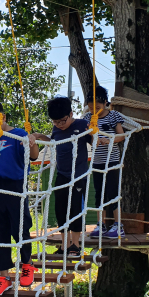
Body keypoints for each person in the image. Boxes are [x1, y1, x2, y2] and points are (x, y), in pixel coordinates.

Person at [0, 99, 40, 296]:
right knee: (0, 232)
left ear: (1, 117)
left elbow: (34, 156)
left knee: (20, 229)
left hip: (16, 186)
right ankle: (4, 277)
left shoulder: (18, 134)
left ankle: (27, 265)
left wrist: (32, 142)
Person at [33, 96, 92, 256]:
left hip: (78, 175)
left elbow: (94, 141)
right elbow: (53, 141)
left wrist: (96, 133)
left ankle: (76, 245)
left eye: (62, 121)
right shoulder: (57, 129)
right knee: (60, 208)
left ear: (71, 114)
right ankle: (65, 245)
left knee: (75, 209)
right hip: (62, 174)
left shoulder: (81, 125)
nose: (59, 125)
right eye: (55, 122)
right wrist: (38, 135)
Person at [83, 86, 126, 238]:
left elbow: (122, 136)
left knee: (113, 192)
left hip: (112, 160)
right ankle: (100, 224)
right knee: (99, 194)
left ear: (105, 103)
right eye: (90, 107)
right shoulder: (88, 118)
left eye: (98, 107)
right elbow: (87, 135)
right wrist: (94, 139)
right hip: (97, 161)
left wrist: (109, 140)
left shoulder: (113, 116)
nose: (94, 110)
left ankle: (118, 224)